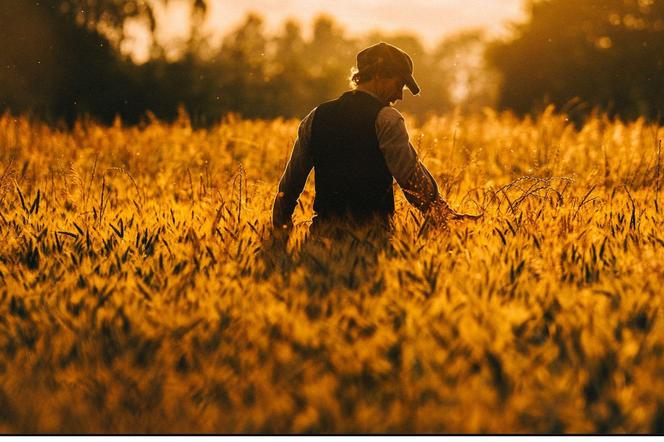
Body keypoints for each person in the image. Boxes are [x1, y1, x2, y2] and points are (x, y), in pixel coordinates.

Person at [272, 42, 479, 238]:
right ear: (379, 76)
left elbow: (290, 185)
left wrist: (280, 233)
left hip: (321, 238)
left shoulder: (316, 116)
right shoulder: (386, 117)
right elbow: (410, 176)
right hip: (375, 241)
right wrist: (442, 213)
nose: (399, 95)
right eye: (398, 84)